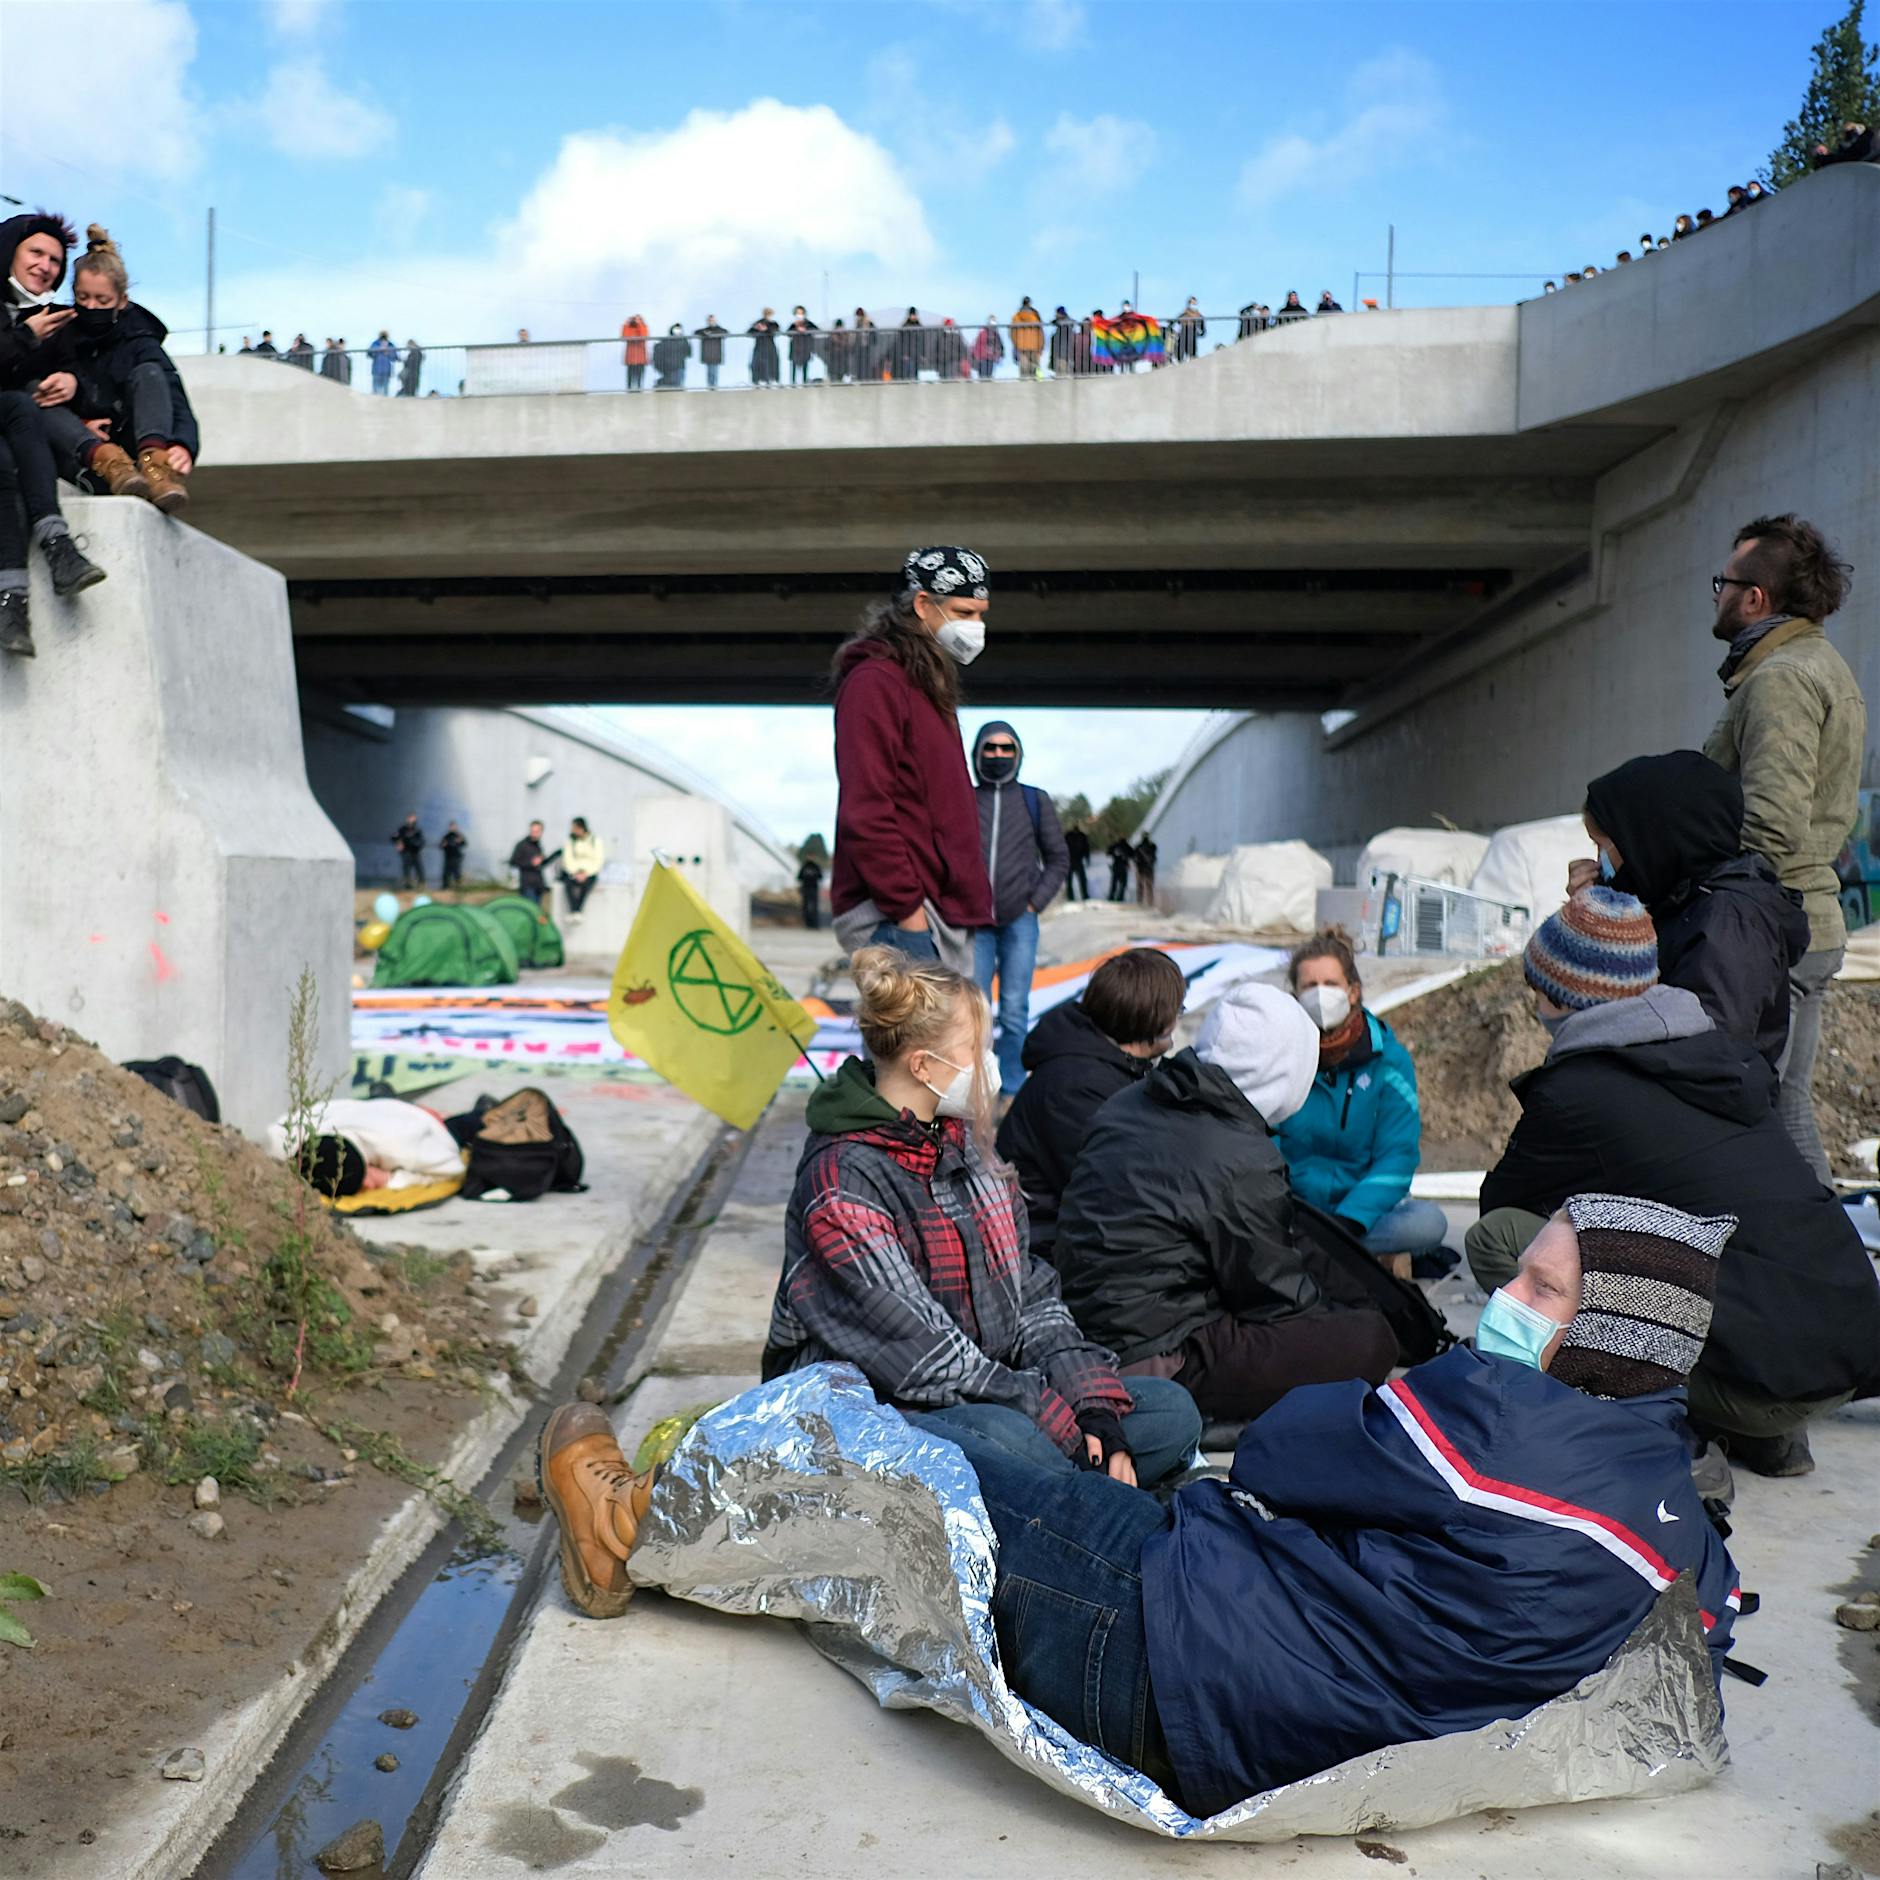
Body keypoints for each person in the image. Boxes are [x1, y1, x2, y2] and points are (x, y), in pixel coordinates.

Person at [538, 1197, 1741, 1818]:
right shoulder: (1667, 1499)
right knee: (1008, 1471)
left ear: (1609, 1331)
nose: (1506, 1294)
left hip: (1179, 1646)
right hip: (1265, 1684)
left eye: (1541, 1283)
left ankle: (629, 1518)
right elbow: (1703, 1623)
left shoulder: (1495, 1421)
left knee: (907, 1458)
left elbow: (1273, 1451)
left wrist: (1388, 1410)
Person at [1470, 889, 1880, 1477]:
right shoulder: (1716, 1057)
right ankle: (1765, 1434)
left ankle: (1669, 1441)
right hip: (1847, 1344)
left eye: (1536, 986)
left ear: (1562, 995)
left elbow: (1504, 1202)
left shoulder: (1577, 1091)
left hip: (1766, 1384)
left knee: (1505, 1240)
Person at [759, 946, 1200, 1483]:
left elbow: (1032, 1299)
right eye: (975, 1049)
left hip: (989, 1393)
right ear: (923, 1066)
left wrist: (1094, 1409)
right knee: (1016, 1441)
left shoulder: (965, 1145)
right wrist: (1057, 1421)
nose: (989, 1065)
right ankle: (1083, 1497)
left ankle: (1075, 1496)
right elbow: (927, 1359)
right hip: (871, 1413)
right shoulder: (842, 1182)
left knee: (1167, 1411)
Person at [1055, 983, 1400, 1422]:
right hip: (1154, 1353)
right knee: (1370, 1340)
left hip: (1082, 1326)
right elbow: (1276, 1300)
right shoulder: (1243, 1156)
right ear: (1284, 1071)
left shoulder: (1130, 1100)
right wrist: (1332, 1317)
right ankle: (1195, 1416)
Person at [1703, 514, 1865, 1183]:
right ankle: (1826, 1273)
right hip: (1801, 919)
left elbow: (1769, 823)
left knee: (1758, 1111)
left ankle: (1822, 1272)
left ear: (1755, 598)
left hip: (1775, 930)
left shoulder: (1782, 680)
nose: (1717, 593)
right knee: (1781, 1107)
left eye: (1724, 581)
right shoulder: (1809, 664)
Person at [1572, 750, 1808, 1065]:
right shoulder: (1674, 896)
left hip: (1702, 1103)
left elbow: (1705, 1051)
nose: (1597, 860)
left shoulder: (1729, 922)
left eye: (1602, 846)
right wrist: (1595, 912)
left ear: (1648, 842)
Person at [828, 547, 994, 978]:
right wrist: (908, 914)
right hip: (901, 919)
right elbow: (865, 811)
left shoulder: (926, 682)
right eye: (965, 612)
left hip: (941, 915)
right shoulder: (875, 684)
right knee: (921, 1048)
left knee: (951, 1047)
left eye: (981, 615)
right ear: (923, 604)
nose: (976, 627)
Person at [996, 948, 1186, 1260]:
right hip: (1043, 1247)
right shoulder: (1075, 1087)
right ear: (1152, 1019)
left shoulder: (1109, 1063)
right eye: (1176, 1010)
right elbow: (1114, 1195)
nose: (1178, 1020)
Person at [1275, 928, 1450, 1265]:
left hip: (1359, 1220)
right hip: (1293, 1212)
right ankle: (1318, 1250)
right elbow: (1264, 1140)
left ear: (1353, 992)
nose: (1320, 995)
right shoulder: (1279, 1057)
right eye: (1310, 986)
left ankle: (1317, 1251)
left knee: (1427, 1223)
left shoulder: (1388, 1061)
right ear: (1294, 994)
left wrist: (1349, 1221)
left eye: (1331, 984)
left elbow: (1397, 1156)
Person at [0, 211, 108, 654]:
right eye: (36, 253)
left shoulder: (52, 318)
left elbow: (87, 371)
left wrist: (73, 385)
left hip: (11, 426)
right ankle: (48, 555)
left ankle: (19, 594)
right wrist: (24, 337)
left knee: (6, 458)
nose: (46, 266)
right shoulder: (29, 323)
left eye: (55, 261)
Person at [62, 227, 199, 515]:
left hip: (130, 440)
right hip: (83, 449)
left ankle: (155, 468)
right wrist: (80, 423)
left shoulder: (139, 340)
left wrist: (184, 444)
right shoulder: (61, 334)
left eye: (102, 301)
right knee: (42, 393)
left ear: (121, 301)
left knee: (150, 372)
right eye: (83, 298)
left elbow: (174, 395)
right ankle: (112, 463)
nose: (91, 307)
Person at [969, 721, 1070, 1092]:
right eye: (990, 748)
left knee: (1014, 1011)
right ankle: (976, 1088)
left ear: (1018, 754)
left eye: (1005, 748)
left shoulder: (1034, 800)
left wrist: (1034, 903)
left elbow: (1058, 858)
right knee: (973, 1013)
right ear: (977, 753)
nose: (997, 755)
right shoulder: (964, 799)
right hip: (974, 924)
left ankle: (1011, 1088)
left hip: (1020, 923)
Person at [559, 816, 604, 924]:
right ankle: (574, 910)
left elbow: (598, 859)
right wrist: (575, 872)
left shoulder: (595, 840)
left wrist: (586, 873)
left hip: (589, 873)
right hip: (574, 873)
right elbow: (567, 858)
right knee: (569, 885)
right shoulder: (570, 841)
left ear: (581, 828)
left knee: (585, 886)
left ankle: (577, 910)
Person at [510, 819, 552, 904]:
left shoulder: (538, 845)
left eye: (537, 831)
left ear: (541, 832)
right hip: (527, 885)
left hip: (538, 885)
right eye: (533, 831)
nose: (534, 834)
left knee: (537, 912)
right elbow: (513, 862)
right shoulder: (521, 845)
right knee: (530, 910)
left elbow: (539, 865)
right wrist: (531, 863)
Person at [1011, 296, 1043, 379]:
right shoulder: (1036, 317)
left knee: (1023, 370)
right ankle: (1035, 386)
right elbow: (1040, 333)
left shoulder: (1016, 317)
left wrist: (1016, 343)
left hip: (1021, 347)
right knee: (1035, 369)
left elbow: (1013, 333)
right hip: (1035, 346)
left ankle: (1024, 387)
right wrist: (1040, 347)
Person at [651, 323, 690, 391]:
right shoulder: (667, 341)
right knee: (674, 383)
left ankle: (660, 384)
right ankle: (660, 384)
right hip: (671, 366)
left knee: (677, 383)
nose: (678, 332)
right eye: (676, 330)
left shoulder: (683, 340)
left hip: (679, 366)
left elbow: (688, 353)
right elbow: (659, 348)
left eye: (679, 330)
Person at [391, 813, 425, 888]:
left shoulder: (417, 830)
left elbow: (422, 842)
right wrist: (398, 843)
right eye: (410, 818)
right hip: (406, 852)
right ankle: (407, 885)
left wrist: (416, 844)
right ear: (407, 819)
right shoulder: (402, 829)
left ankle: (421, 884)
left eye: (413, 818)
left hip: (415, 852)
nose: (411, 820)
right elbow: (394, 837)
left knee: (419, 869)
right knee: (406, 869)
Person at [748, 309, 780, 387]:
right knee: (758, 363)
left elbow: (776, 331)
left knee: (772, 363)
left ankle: (772, 379)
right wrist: (757, 328)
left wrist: (766, 329)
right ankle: (760, 380)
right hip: (759, 346)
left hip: (770, 346)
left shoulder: (773, 324)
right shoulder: (758, 322)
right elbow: (749, 332)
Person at [786, 306, 818, 386]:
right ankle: (793, 383)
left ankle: (804, 382)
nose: (799, 315)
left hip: (805, 348)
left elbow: (817, 330)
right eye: (797, 313)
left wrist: (805, 330)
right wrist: (796, 328)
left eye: (800, 313)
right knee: (794, 366)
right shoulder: (793, 325)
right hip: (795, 348)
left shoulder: (808, 323)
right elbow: (788, 333)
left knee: (805, 366)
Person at [695, 315, 727, 391]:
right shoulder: (705, 330)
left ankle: (713, 387)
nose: (711, 322)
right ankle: (711, 387)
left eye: (712, 320)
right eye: (710, 320)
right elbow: (696, 332)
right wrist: (705, 333)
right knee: (710, 373)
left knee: (714, 373)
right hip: (708, 355)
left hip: (716, 354)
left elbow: (725, 332)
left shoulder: (719, 330)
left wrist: (712, 333)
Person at [620, 312, 649, 392]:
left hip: (641, 358)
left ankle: (639, 389)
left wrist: (639, 323)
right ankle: (629, 390)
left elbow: (643, 335)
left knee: (640, 377)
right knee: (630, 376)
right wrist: (627, 323)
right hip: (630, 358)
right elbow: (624, 336)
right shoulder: (629, 328)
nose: (635, 321)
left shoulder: (643, 327)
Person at [1063, 823, 1091, 901]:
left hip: (1071, 860)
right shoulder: (1082, 835)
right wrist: (1087, 859)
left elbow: (1063, 847)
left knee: (1072, 880)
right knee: (1080, 880)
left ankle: (1071, 897)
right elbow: (1086, 848)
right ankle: (1084, 895)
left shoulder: (1068, 835)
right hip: (1076, 860)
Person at [797, 852, 824, 929]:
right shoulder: (804, 867)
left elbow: (820, 877)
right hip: (806, 889)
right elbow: (799, 877)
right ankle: (807, 924)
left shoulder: (816, 867)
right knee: (805, 907)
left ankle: (814, 924)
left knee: (814, 907)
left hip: (814, 889)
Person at [1173, 297, 1205, 361]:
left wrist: (1202, 331)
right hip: (1184, 332)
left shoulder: (1198, 315)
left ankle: (1191, 357)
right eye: (1192, 303)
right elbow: (1177, 323)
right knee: (1181, 347)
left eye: (1195, 303)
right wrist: (1175, 332)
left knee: (1191, 348)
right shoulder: (1184, 314)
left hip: (1192, 332)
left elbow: (1202, 324)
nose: (1194, 304)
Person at [439, 820, 466, 890]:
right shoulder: (447, 836)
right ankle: (445, 886)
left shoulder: (459, 835)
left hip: (456, 857)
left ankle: (458, 886)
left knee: (457, 872)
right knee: (446, 873)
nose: (452, 828)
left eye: (453, 826)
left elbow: (465, 843)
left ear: (456, 827)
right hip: (448, 857)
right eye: (451, 826)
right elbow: (441, 845)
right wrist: (443, 845)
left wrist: (460, 841)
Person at [1048, 306, 1074, 377]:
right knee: (1059, 372)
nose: (1056, 315)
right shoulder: (1062, 324)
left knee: (1064, 373)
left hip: (1064, 354)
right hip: (1059, 353)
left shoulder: (1066, 323)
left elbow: (1063, 323)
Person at [1107, 836, 1134, 902]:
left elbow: (1108, 853)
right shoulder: (1127, 846)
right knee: (1123, 884)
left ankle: (1111, 897)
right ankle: (1120, 897)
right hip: (1123, 868)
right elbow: (1132, 854)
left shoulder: (1115, 845)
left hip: (1115, 867)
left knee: (1114, 883)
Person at [1133, 834, 1158, 905]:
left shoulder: (1138, 847)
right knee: (1149, 886)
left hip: (1141, 870)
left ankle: (1139, 901)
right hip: (1150, 869)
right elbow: (1154, 858)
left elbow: (1135, 858)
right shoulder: (1152, 846)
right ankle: (1150, 901)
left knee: (1140, 886)